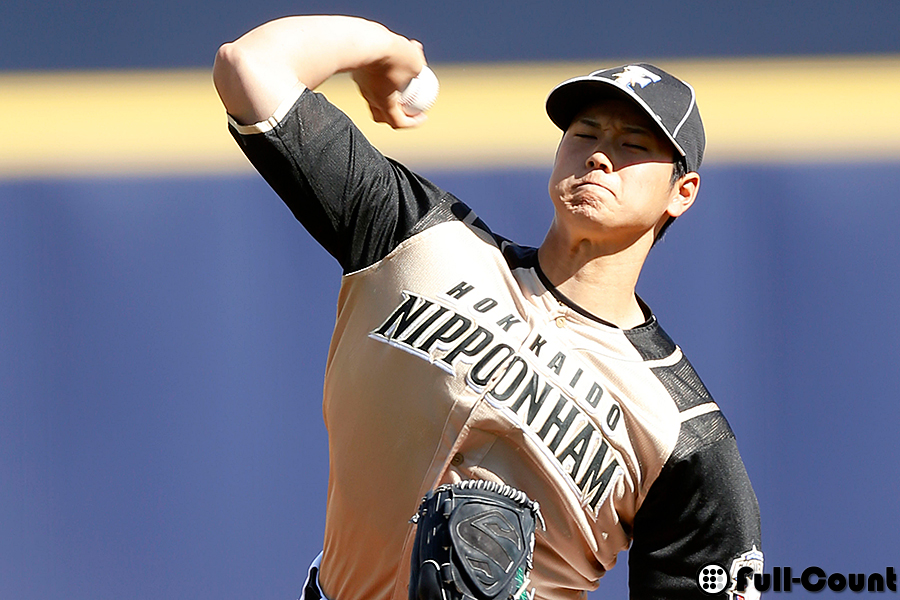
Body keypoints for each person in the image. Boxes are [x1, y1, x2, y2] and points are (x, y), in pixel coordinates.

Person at [213, 15, 763, 600]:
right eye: (585, 133)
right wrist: (386, 50)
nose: (600, 156)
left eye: (632, 145)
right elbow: (248, 68)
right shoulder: (418, 239)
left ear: (683, 192)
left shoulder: (682, 429)